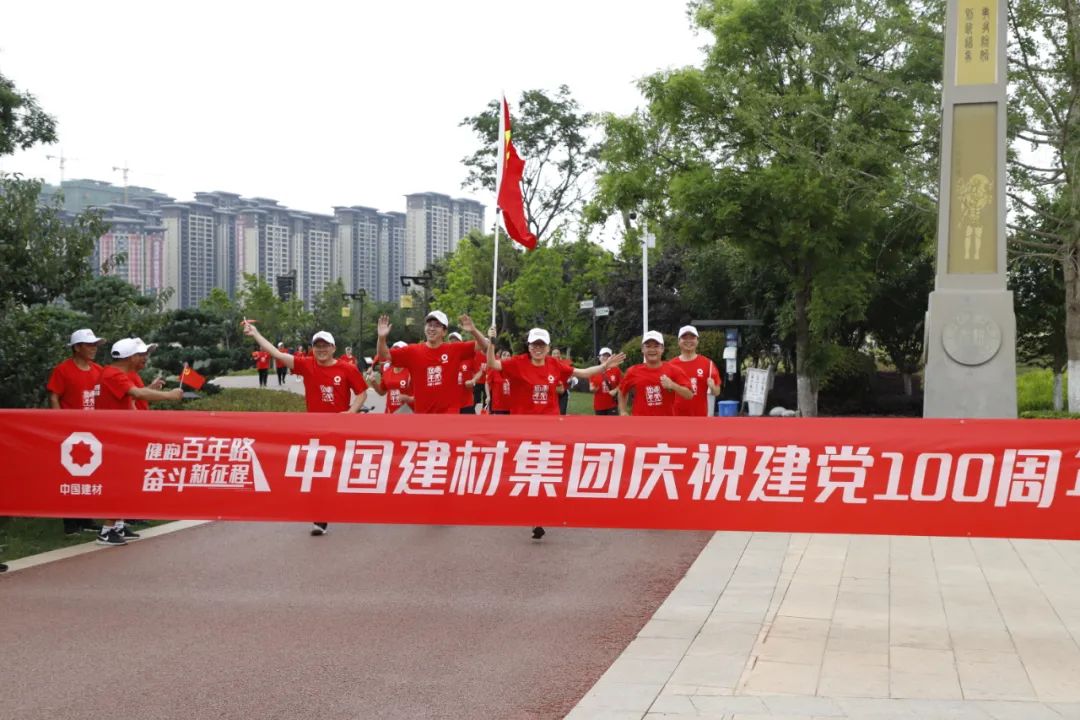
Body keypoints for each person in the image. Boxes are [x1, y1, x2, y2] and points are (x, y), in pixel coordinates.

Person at [486, 326, 625, 539]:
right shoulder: (518, 363)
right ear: (529, 346)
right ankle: (535, 513)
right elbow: (493, 364)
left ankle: (540, 514)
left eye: (542, 345)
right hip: (524, 429)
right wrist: (491, 343)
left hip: (550, 428)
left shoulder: (554, 364)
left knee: (546, 469)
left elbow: (582, 373)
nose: (538, 348)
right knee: (529, 470)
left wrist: (604, 366)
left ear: (548, 347)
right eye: (534, 345)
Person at [244, 323, 368, 536]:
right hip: (315, 431)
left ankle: (351, 501)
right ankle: (320, 519)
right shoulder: (307, 364)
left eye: (325, 346)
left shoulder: (346, 369)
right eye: (317, 346)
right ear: (313, 349)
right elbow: (277, 354)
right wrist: (256, 334)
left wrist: (351, 413)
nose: (321, 350)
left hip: (339, 430)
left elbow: (362, 393)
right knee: (319, 473)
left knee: (340, 471)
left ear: (333, 348)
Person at [96, 338, 184, 545]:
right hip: (114, 438)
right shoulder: (113, 374)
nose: (145, 358)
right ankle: (106, 530)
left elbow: (132, 399)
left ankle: (117, 525)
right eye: (141, 354)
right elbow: (136, 393)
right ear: (131, 357)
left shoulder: (116, 374)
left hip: (120, 436)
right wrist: (169, 395)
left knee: (126, 481)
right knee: (119, 482)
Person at [46, 328, 106, 535]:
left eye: (95, 345)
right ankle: (70, 523)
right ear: (77, 347)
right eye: (89, 345)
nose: (94, 349)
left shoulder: (98, 370)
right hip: (70, 432)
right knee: (70, 475)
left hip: (93, 432)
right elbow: (54, 396)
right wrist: (59, 422)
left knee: (89, 475)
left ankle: (86, 519)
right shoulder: (63, 370)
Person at [374, 310, 489, 414]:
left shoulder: (454, 349)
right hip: (423, 415)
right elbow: (384, 355)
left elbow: (484, 345)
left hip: (449, 414)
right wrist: (381, 338)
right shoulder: (413, 351)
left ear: (444, 332)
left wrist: (473, 331)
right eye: (429, 325)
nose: (432, 328)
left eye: (437, 325)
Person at [618, 331, 694, 417]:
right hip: (640, 422)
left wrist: (673, 385)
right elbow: (622, 391)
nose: (652, 350)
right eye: (648, 346)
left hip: (665, 422)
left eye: (656, 346)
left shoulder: (673, 370)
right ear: (642, 349)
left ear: (662, 349)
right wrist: (622, 411)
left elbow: (689, 395)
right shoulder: (633, 371)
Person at [670, 325, 721, 417]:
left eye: (692, 338)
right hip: (676, 417)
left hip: (700, 417)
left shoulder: (708, 364)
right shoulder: (671, 365)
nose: (688, 341)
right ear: (679, 341)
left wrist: (713, 387)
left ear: (697, 341)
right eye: (685, 338)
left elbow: (717, 392)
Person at [367, 341, 414, 414]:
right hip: (389, 413)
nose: (395, 355)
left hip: (408, 413)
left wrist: (408, 399)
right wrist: (373, 381)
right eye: (394, 352)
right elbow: (381, 392)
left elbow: (422, 396)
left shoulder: (412, 371)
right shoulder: (387, 371)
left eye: (398, 353)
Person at [448, 331, 483, 414]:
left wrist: (473, 380)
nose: (453, 344)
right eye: (451, 342)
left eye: (456, 341)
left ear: (461, 343)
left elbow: (479, 372)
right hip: (450, 403)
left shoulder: (469, 357)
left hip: (467, 402)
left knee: (469, 423)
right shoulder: (445, 359)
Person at [590, 347, 623, 416]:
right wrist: (593, 389)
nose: (605, 358)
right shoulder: (594, 371)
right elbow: (591, 387)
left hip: (612, 405)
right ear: (599, 357)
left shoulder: (616, 370)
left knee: (612, 423)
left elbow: (622, 383)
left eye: (608, 356)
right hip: (599, 405)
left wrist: (615, 390)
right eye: (603, 355)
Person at [486, 349, 512, 414]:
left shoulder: (513, 370)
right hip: (498, 405)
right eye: (504, 355)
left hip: (511, 405)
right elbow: (487, 383)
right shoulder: (494, 370)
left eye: (508, 355)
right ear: (500, 358)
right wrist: (488, 396)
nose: (506, 357)